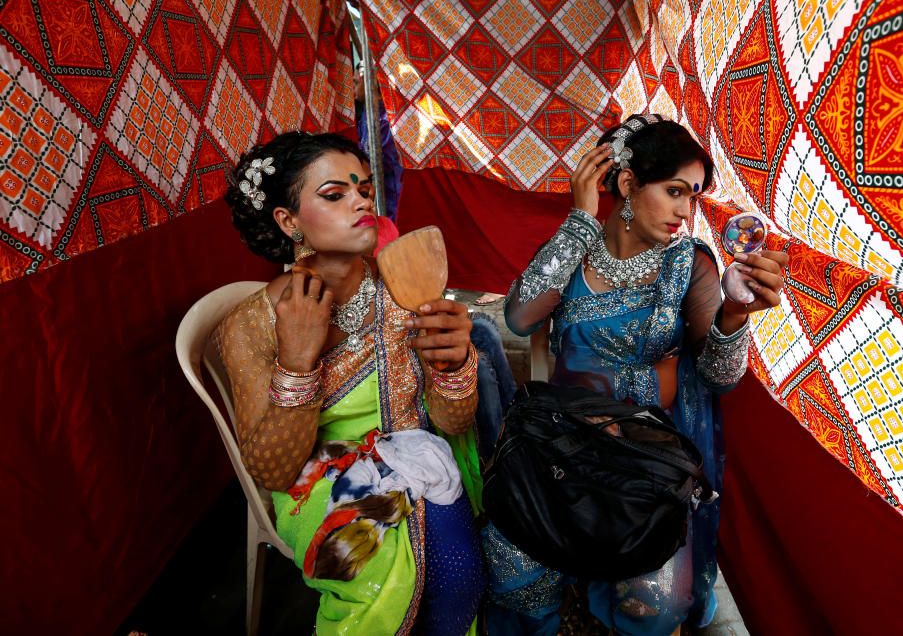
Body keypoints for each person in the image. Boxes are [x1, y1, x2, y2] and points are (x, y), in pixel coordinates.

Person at [485, 115, 789, 635]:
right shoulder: (574, 249)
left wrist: (734, 316)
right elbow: (518, 317)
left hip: (643, 468)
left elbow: (718, 377)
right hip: (563, 453)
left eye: (692, 197)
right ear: (628, 185)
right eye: (675, 192)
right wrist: (580, 221)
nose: (685, 211)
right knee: (515, 571)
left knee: (653, 606)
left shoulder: (689, 265)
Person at [214, 131, 485, 635]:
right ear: (287, 220)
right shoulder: (252, 325)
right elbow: (273, 471)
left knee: (460, 580)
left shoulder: (404, 287)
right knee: (374, 567)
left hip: (421, 449)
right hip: (317, 479)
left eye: (362, 188)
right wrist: (298, 359)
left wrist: (454, 364)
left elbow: (453, 421)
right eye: (335, 194)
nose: (361, 200)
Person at [355, 65, 404, 222]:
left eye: (356, 83)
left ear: (369, 81)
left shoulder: (388, 117)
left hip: (395, 192)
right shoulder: (366, 113)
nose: (353, 90)